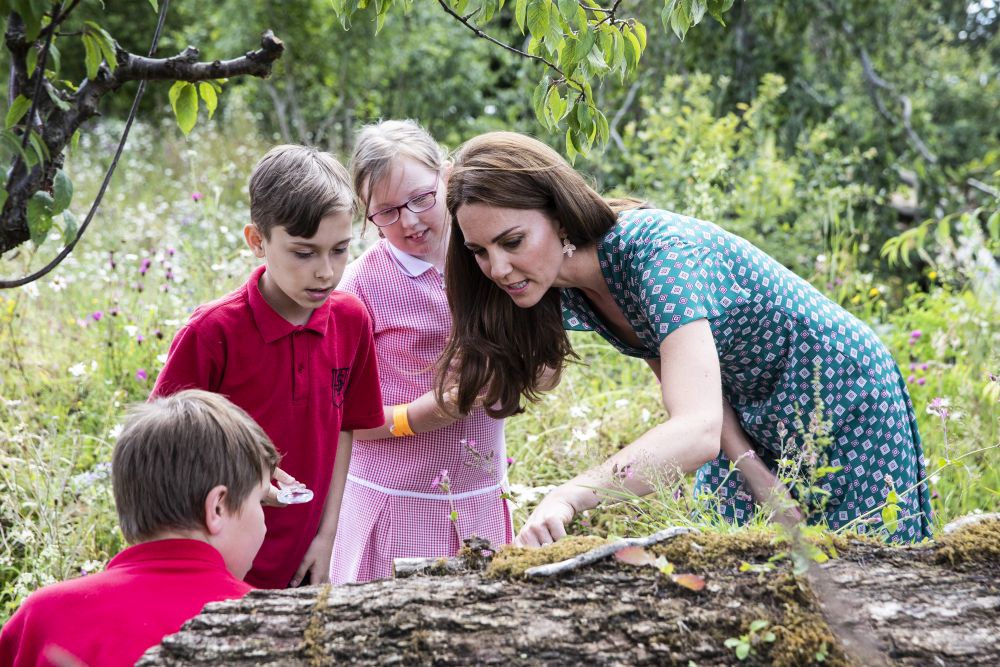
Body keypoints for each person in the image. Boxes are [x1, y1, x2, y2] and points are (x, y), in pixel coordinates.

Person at [438, 131, 933, 547]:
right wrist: (759, 478)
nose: (497, 268)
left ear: (560, 216)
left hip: (840, 393)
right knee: (746, 570)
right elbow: (697, 401)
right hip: (742, 415)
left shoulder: (657, 253)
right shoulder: (562, 286)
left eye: (512, 241)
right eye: (479, 251)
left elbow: (695, 430)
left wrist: (572, 493)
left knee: (863, 563)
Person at [152, 145, 384, 588]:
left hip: (305, 560)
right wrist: (246, 472)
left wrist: (328, 536)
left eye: (339, 250)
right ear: (258, 241)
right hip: (218, 563)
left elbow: (344, 431)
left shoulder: (351, 320)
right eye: (304, 253)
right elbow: (162, 449)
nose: (326, 272)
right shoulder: (212, 332)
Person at [329, 120, 511, 583]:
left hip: (480, 496)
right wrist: (420, 416)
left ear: (446, 178)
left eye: (420, 199)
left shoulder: (488, 258)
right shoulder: (361, 287)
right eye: (386, 212)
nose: (409, 221)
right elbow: (335, 415)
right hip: (394, 502)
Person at [0, 390, 280, 667]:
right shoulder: (268, 626)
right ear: (217, 508)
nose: (264, 523)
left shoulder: (42, 618)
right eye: (260, 501)